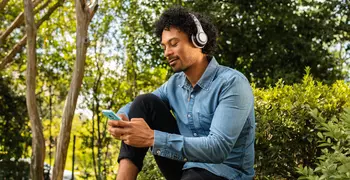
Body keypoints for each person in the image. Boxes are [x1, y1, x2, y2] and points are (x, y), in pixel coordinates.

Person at [108, 6, 255, 180]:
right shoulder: (175, 84)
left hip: (226, 173)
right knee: (144, 102)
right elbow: (137, 107)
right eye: (164, 46)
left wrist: (152, 137)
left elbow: (218, 149)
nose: (167, 53)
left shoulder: (232, 83)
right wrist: (121, 120)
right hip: (186, 167)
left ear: (199, 40)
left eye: (174, 44)